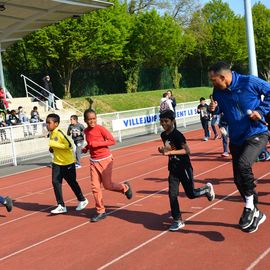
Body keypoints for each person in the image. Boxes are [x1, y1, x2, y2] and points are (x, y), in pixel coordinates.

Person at [208, 61, 270, 233]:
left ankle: (249, 207)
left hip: (257, 133)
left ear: (223, 77)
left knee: (244, 164)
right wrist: (215, 108)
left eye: (214, 80)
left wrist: (262, 111)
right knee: (238, 179)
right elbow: (220, 108)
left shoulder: (249, 81)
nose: (212, 84)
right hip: (236, 138)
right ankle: (257, 212)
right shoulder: (217, 91)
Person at [158, 110, 215, 231]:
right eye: (162, 121)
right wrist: (162, 150)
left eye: (166, 121)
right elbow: (169, 147)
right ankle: (177, 220)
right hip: (173, 169)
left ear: (173, 121)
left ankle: (206, 189)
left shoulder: (178, 135)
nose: (163, 124)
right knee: (172, 195)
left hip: (184, 168)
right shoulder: (163, 135)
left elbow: (187, 151)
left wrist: (170, 152)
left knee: (191, 194)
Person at [82, 109, 132, 222]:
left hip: (105, 160)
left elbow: (112, 141)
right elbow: (90, 144)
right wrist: (86, 148)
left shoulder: (100, 129)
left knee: (107, 185)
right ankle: (101, 211)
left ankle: (125, 187)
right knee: (95, 187)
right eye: (89, 119)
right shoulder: (86, 131)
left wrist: (97, 144)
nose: (92, 121)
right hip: (93, 161)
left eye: (94, 119)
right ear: (85, 120)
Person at [46, 113, 88, 214]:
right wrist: (52, 148)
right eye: (46, 123)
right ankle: (61, 205)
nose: (47, 125)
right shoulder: (51, 133)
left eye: (49, 123)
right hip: (57, 162)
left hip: (67, 163)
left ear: (56, 124)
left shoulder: (59, 133)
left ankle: (82, 200)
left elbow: (69, 145)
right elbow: (56, 146)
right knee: (56, 182)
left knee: (72, 182)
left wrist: (53, 144)